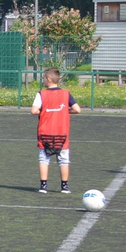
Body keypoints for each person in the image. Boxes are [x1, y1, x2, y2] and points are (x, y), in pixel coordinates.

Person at [31, 66, 81, 194]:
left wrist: (44, 111)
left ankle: (43, 186)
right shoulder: (66, 93)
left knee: (44, 158)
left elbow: (34, 110)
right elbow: (77, 109)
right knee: (64, 159)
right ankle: (64, 186)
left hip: (45, 132)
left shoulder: (41, 94)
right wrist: (65, 111)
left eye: (44, 78)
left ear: (48, 79)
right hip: (62, 132)